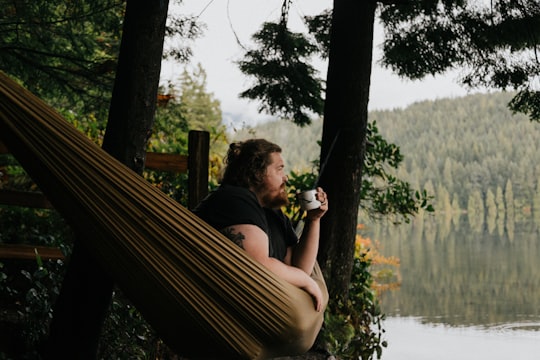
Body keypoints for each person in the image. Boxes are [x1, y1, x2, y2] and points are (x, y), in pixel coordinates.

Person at [193, 138, 328, 311]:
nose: (285, 177)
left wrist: (314, 219)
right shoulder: (234, 199)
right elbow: (258, 264)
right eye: (279, 169)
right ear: (257, 173)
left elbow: (300, 267)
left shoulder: (272, 213)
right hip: (219, 307)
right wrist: (306, 281)